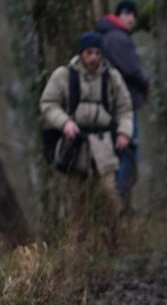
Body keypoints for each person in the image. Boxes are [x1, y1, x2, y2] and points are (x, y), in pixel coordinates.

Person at [39, 31, 134, 219]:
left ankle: (117, 241)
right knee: (76, 204)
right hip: (73, 147)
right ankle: (78, 246)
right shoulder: (63, 75)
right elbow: (48, 104)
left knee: (110, 196)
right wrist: (65, 122)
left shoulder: (112, 77)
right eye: (89, 53)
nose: (93, 58)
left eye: (98, 53)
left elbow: (125, 108)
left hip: (105, 146)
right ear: (81, 53)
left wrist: (124, 132)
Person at [95, 0, 150, 209]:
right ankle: (119, 202)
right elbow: (131, 69)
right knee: (128, 154)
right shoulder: (117, 38)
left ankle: (119, 203)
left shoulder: (109, 36)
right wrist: (145, 82)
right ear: (121, 14)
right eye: (128, 14)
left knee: (122, 154)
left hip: (113, 106)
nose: (132, 19)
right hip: (123, 106)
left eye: (134, 15)